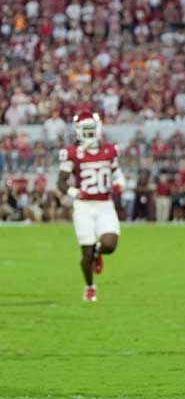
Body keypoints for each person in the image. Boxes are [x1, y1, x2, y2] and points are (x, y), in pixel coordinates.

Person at [57, 109, 125, 302]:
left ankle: (98, 252)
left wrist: (121, 182)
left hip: (104, 204)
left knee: (110, 244)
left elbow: (117, 172)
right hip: (84, 207)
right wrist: (74, 192)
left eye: (91, 129)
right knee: (85, 254)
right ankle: (90, 287)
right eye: (84, 130)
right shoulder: (72, 153)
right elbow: (61, 182)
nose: (88, 134)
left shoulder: (109, 150)